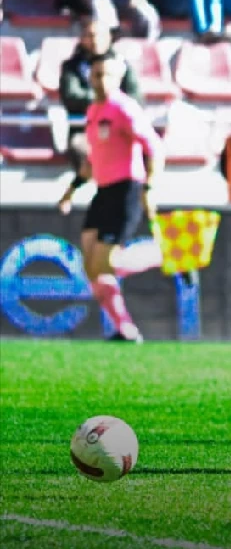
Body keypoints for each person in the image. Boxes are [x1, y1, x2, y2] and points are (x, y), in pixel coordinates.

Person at [57, 54, 165, 343]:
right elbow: (93, 158)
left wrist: (150, 185)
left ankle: (164, 255)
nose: (101, 81)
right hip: (103, 190)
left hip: (127, 188)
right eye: (96, 75)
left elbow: (153, 146)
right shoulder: (93, 111)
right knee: (91, 265)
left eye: (106, 75)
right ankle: (124, 328)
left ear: (117, 78)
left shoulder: (125, 109)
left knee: (107, 263)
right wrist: (71, 191)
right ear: (89, 79)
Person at [60, 18, 142, 177]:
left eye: (99, 35)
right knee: (81, 148)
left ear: (109, 38)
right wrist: (104, 100)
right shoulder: (72, 66)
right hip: (85, 129)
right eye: (89, 35)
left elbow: (135, 97)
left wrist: (112, 105)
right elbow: (71, 97)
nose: (95, 40)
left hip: (119, 128)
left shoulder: (121, 64)